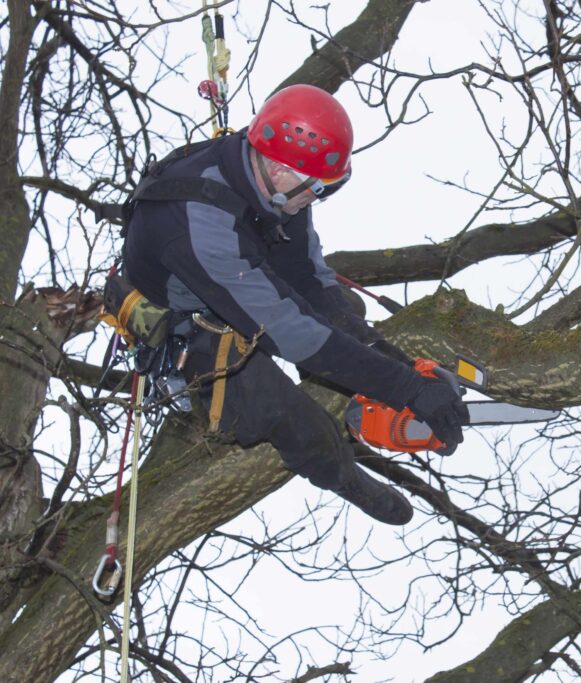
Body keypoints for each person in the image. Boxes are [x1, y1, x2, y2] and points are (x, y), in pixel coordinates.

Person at [121, 84, 469, 525]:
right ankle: (341, 473)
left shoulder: (275, 184)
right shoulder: (199, 225)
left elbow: (310, 279)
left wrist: (391, 361)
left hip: (238, 271)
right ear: (283, 169)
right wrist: (405, 389)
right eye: (319, 189)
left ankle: (361, 379)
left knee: (342, 313)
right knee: (280, 411)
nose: (317, 198)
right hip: (186, 318)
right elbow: (291, 332)